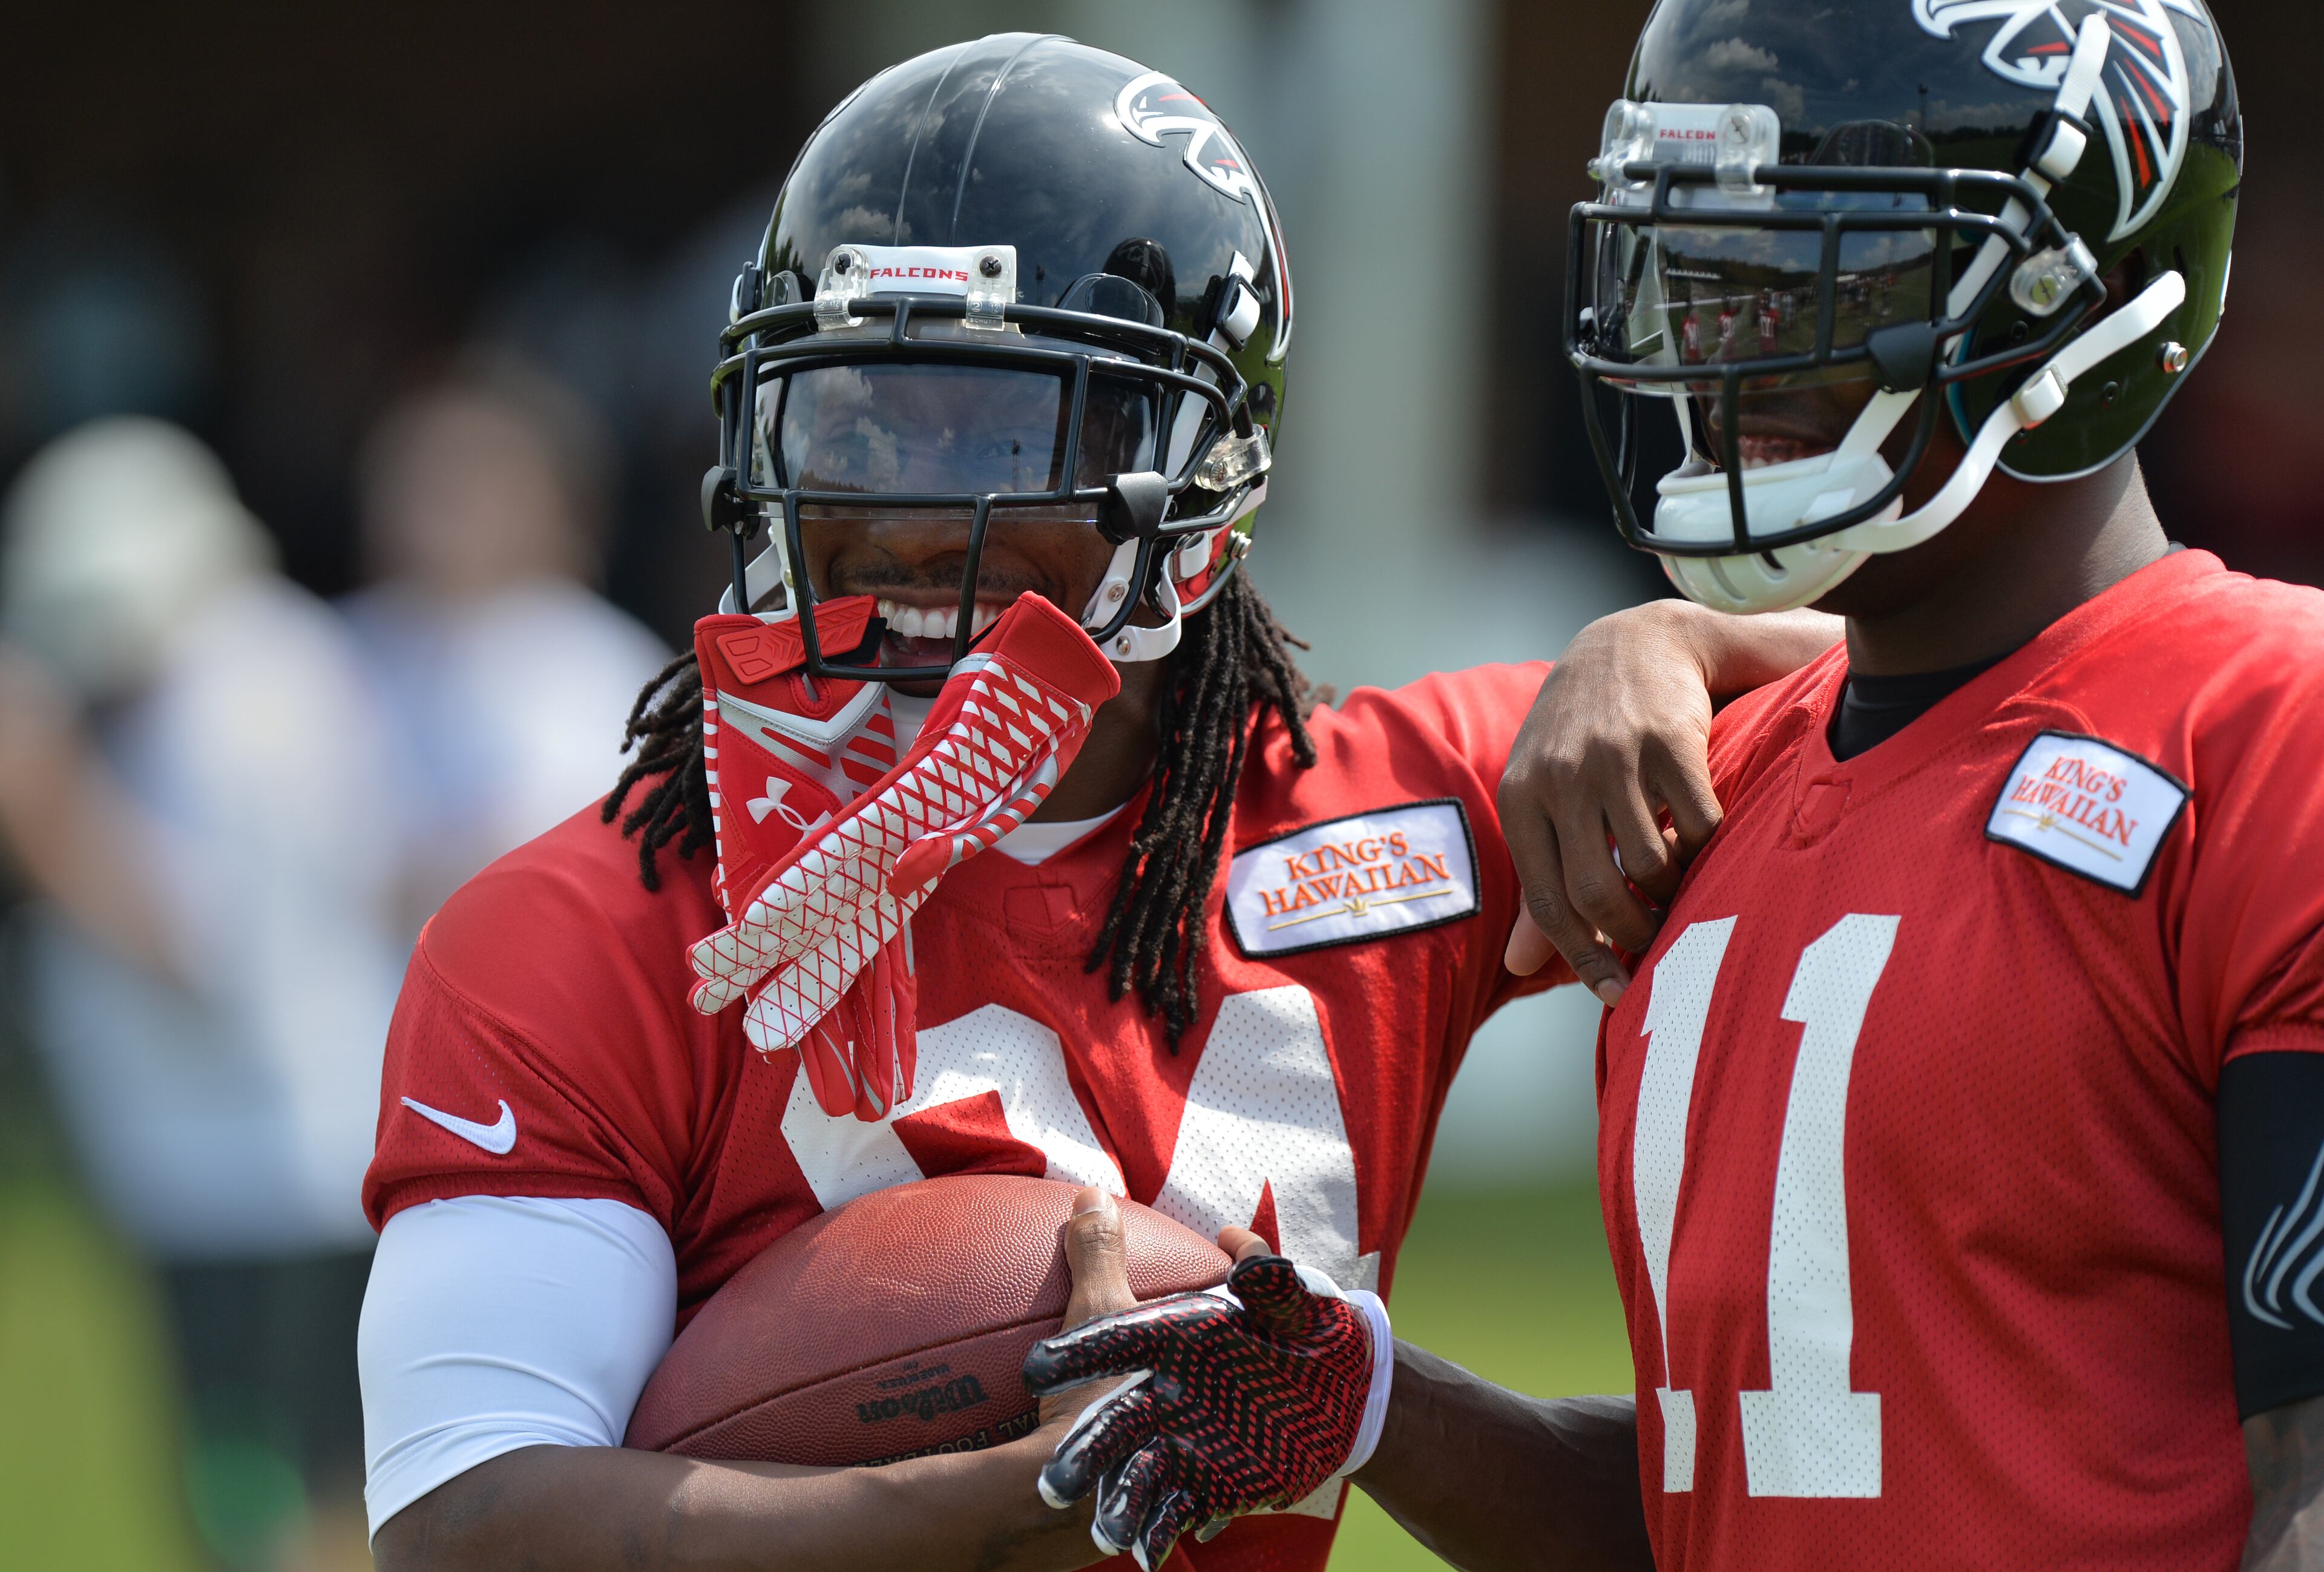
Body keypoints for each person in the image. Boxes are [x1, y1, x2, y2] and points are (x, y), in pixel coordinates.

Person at [353, 34, 1839, 1572]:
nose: (908, 515)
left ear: (1201, 473)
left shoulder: (1394, 813)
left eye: (1005, 429)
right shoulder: (587, 926)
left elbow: (1915, 716)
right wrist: (999, 1503)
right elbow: (468, 1523)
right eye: (858, 420)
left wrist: (1658, 642)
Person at [1026, 2, 2318, 1568]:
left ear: (2085, 301)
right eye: (1702, 271)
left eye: (1825, 273)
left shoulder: (2268, 728)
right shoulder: (1717, 781)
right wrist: (1370, 1405)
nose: (1728, 344)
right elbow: (1757, 1488)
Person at [0, 418, 403, 1567]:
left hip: (272, 1178)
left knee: (295, 1501)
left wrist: (42, 805)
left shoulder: (247, 700)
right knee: (242, 1493)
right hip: (218, 1172)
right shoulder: (237, 670)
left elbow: (199, 953)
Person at [341, 355, 670, 937]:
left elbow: (557, 871)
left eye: (478, 476)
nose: (440, 507)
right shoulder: (338, 643)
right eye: (422, 473)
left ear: (560, 505)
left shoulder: (602, 665)